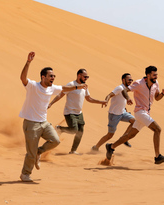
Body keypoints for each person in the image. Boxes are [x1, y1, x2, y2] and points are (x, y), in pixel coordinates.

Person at [18, 52, 83, 182]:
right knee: (30, 152)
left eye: (54, 76)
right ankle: (25, 174)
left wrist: (77, 86)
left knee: (55, 140)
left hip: (44, 122)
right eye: (50, 76)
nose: (53, 78)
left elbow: (64, 88)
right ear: (43, 77)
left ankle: (39, 152)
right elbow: (23, 78)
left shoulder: (52, 88)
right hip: (31, 124)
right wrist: (28, 62)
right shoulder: (33, 86)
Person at [105, 66, 164, 164]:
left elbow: (157, 98)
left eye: (156, 74)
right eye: (154, 75)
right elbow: (124, 90)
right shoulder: (139, 83)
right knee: (157, 129)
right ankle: (157, 156)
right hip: (140, 112)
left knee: (130, 135)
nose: (156, 76)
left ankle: (111, 147)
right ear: (148, 75)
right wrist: (128, 98)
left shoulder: (156, 84)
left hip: (146, 113)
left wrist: (163, 94)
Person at [47, 68, 107, 154]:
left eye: (87, 77)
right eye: (85, 77)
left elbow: (89, 98)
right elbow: (60, 95)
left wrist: (101, 101)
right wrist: (51, 103)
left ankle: (73, 150)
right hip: (70, 112)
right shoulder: (71, 84)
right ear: (79, 75)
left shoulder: (84, 87)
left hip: (79, 113)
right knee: (74, 130)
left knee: (80, 132)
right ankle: (59, 128)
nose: (86, 78)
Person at [91, 73, 135, 152]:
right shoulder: (119, 88)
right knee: (109, 135)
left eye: (131, 80)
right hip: (114, 115)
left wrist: (125, 109)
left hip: (122, 112)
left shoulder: (126, 89)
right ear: (123, 80)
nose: (130, 81)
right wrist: (106, 101)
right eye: (129, 80)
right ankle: (96, 147)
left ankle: (124, 138)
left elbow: (121, 100)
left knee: (135, 122)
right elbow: (109, 95)